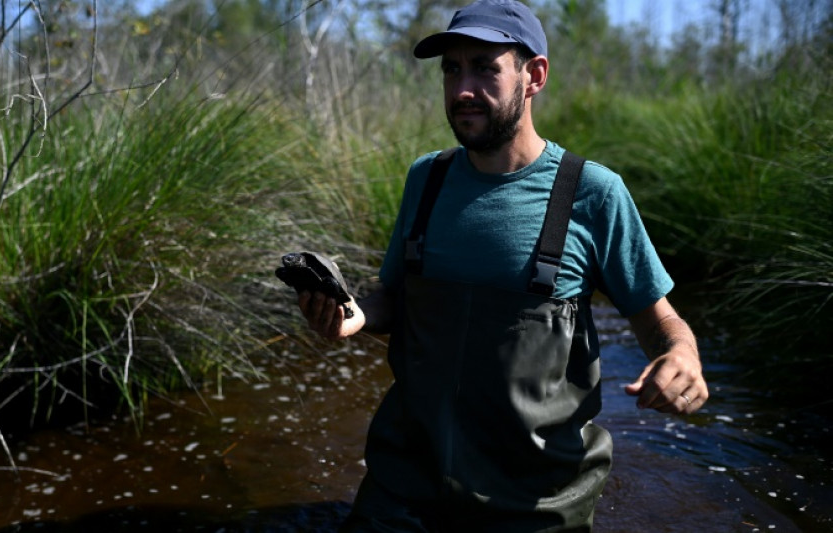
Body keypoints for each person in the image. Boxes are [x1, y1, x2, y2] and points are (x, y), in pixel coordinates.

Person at [294, 0, 709, 530]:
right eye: (451, 69)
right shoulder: (427, 179)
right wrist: (351, 316)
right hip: (404, 488)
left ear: (533, 75)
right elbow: (396, 298)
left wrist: (683, 358)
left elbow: (660, 321)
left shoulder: (593, 193)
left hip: (536, 502)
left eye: (485, 68)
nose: (462, 89)